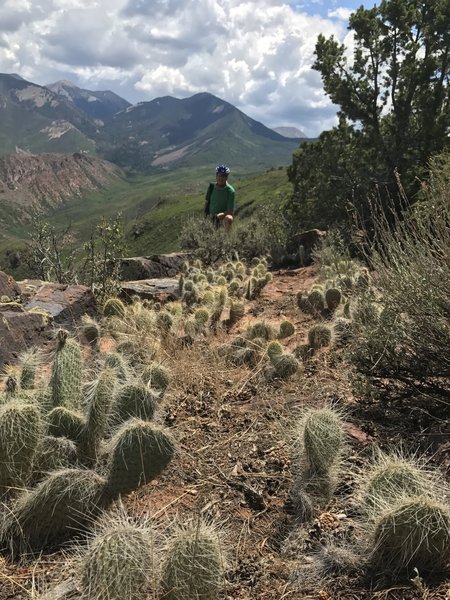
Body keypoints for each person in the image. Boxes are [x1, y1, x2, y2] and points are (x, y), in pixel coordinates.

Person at [204, 165, 235, 231]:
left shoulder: (230, 191)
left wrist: (219, 215)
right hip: (211, 218)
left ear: (227, 177)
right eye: (219, 175)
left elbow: (230, 212)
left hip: (222, 219)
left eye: (223, 176)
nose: (220, 178)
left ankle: (227, 238)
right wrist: (204, 218)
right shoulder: (211, 187)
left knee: (229, 218)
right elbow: (206, 203)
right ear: (216, 176)